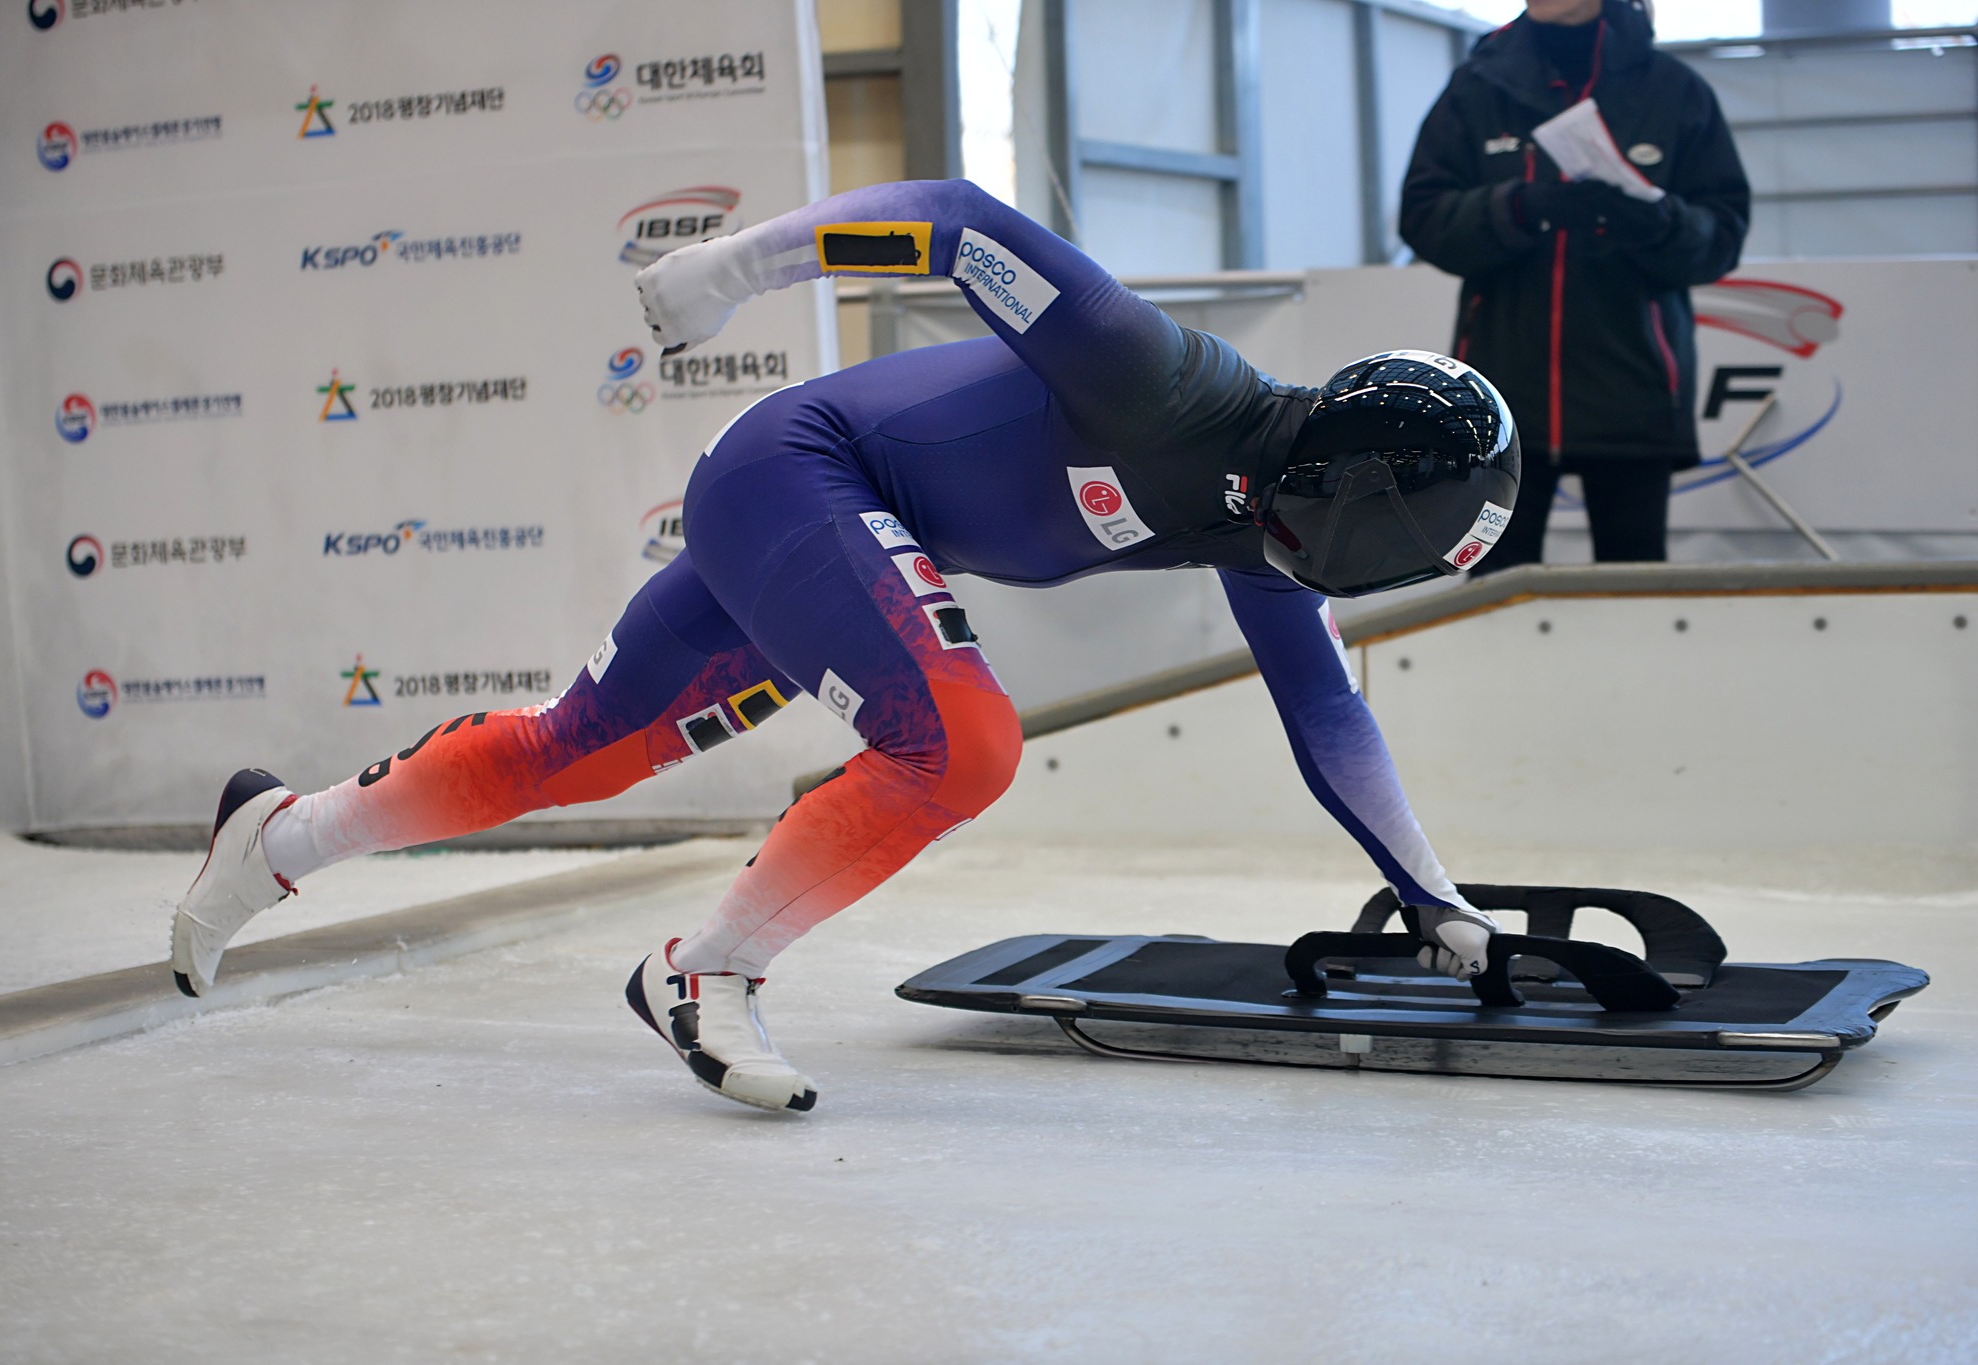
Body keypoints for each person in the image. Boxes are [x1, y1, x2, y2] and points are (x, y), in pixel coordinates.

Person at [172, 179, 1519, 1113]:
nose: (1326, 580)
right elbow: (950, 225)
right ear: (1345, 480)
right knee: (963, 743)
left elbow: (1333, 721)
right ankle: (706, 970)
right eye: (1363, 550)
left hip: (836, 525)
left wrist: (1436, 897)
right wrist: (722, 274)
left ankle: (276, 838)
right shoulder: (1161, 381)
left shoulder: (1269, 540)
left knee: (570, 755)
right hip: (799, 470)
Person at [1399, 0, 1749, 568]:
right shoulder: (1477, 85)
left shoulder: (1674, 89)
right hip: (1503, 401)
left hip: (1632, 390)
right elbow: (1422, 218)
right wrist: (1519, 207)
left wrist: (1658, 222)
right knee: (1497, 600)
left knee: (1635, 598)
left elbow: (1723, 237)